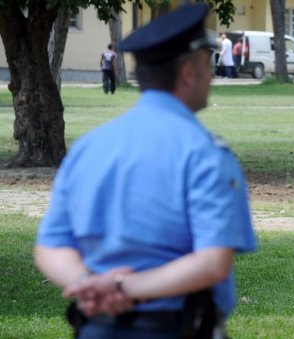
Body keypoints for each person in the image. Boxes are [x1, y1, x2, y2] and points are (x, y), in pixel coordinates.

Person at [34, 4, 256, 338]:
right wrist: (124, 287)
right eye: (206, 65)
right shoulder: (205, 153)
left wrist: (87, 285)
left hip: (96, 327)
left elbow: (51, 245)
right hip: (175, 327)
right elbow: (212, 263)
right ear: (187, 72)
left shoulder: (90, 147)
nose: (211, 76)